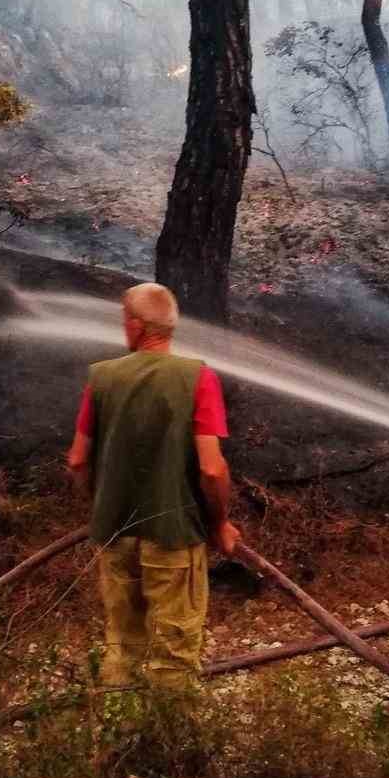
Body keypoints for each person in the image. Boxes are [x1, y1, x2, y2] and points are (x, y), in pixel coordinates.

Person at [66, 282, 240, 690]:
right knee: (174, 654)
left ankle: (116, 737)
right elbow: (212, 470)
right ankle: (167, 747)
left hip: (115, 534)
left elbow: (77, 460)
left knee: (123, 646)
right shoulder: (198, 378)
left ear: (138, 325)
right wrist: (220, 524)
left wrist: (101, 505)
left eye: (125, 320)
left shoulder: (102, 377)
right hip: (174, 538)